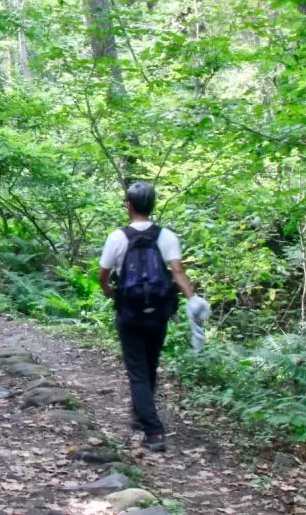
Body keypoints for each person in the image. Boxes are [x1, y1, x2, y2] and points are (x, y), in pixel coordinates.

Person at [98, 181, 209, 453]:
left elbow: (103, 274)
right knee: (149, 364)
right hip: (159, 312)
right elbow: (178, 271)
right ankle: (140, 414)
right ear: (152, 205)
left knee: (137, 372)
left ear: (129, 205)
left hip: (129, 312)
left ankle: (154, 429)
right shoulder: (166, 236)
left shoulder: (117, 237)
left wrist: (110, 292)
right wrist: (192, 298)